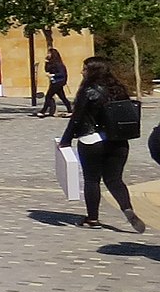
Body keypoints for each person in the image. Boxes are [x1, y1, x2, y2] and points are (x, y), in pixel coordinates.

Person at [60, 58, 146, 232]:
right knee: (114, 179)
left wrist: (66, 139)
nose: (82, 72)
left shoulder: (89, 90)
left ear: (93, 71)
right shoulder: (119, 89)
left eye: (85, 69)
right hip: (118, 140)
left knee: (92, 180)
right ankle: (127, 208)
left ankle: (92, 219)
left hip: (92, 140)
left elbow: (77, 117)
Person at [41, 47, 71, 117]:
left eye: (49, 53)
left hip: (58, 82)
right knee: (62, 97)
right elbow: (47, 70)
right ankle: (70, 110)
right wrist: (46, 62)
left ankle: (43, 111)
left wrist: (53, 75)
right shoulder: (52, 63)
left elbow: (62, 74)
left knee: (48, 96)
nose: (48, 54)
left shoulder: (59, 64)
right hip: (54, 82)